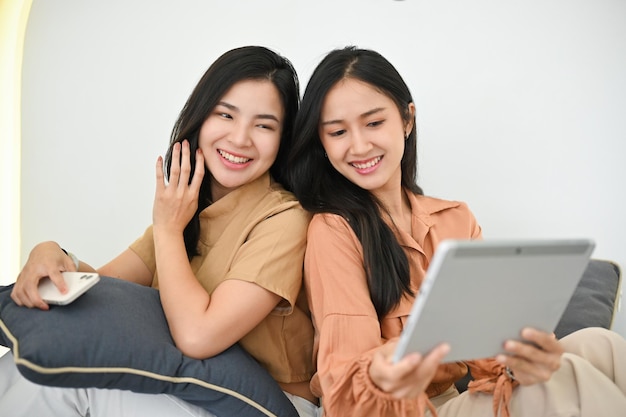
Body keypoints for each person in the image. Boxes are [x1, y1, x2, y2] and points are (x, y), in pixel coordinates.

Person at [285, 46, 626, 417]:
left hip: (462, 397)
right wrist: (386, 368)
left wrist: (522, 359)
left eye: (373, 123)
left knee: (602, 344)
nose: (360, 145)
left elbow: (489, 355)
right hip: (405, 410)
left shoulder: (455, 219)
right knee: (567, 378)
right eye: (337, 132)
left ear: (406, 120)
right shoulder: (333, 230)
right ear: (322, 142)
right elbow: (345, 388)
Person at [0, 45, 318, 417]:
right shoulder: (189, 210)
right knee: (25, 365)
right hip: (191, 388)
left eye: (263, 125)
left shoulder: (285, 220)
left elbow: (198, 336)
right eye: (225, 115)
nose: (240, 138)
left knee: (49, 383)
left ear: (283, 140)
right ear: (201, 118)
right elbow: (101, 288)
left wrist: (167, 229)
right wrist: (51, 252)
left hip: (264, 405)